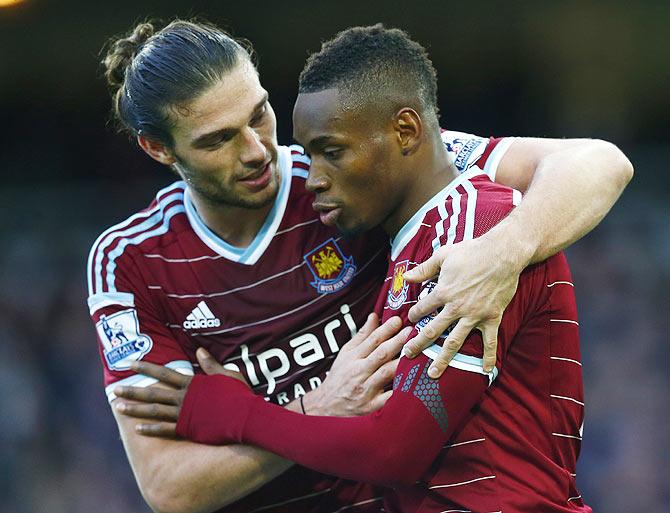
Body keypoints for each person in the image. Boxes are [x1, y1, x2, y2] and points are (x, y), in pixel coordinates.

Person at [96, 19, 632, 513]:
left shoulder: (352, 173)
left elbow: (596, 163)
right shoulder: (131, 263)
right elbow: (170, 486)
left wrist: (502, 252)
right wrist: (318, 407)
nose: (257, 149)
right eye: (219, 139)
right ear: (159, 149)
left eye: (259, 113)